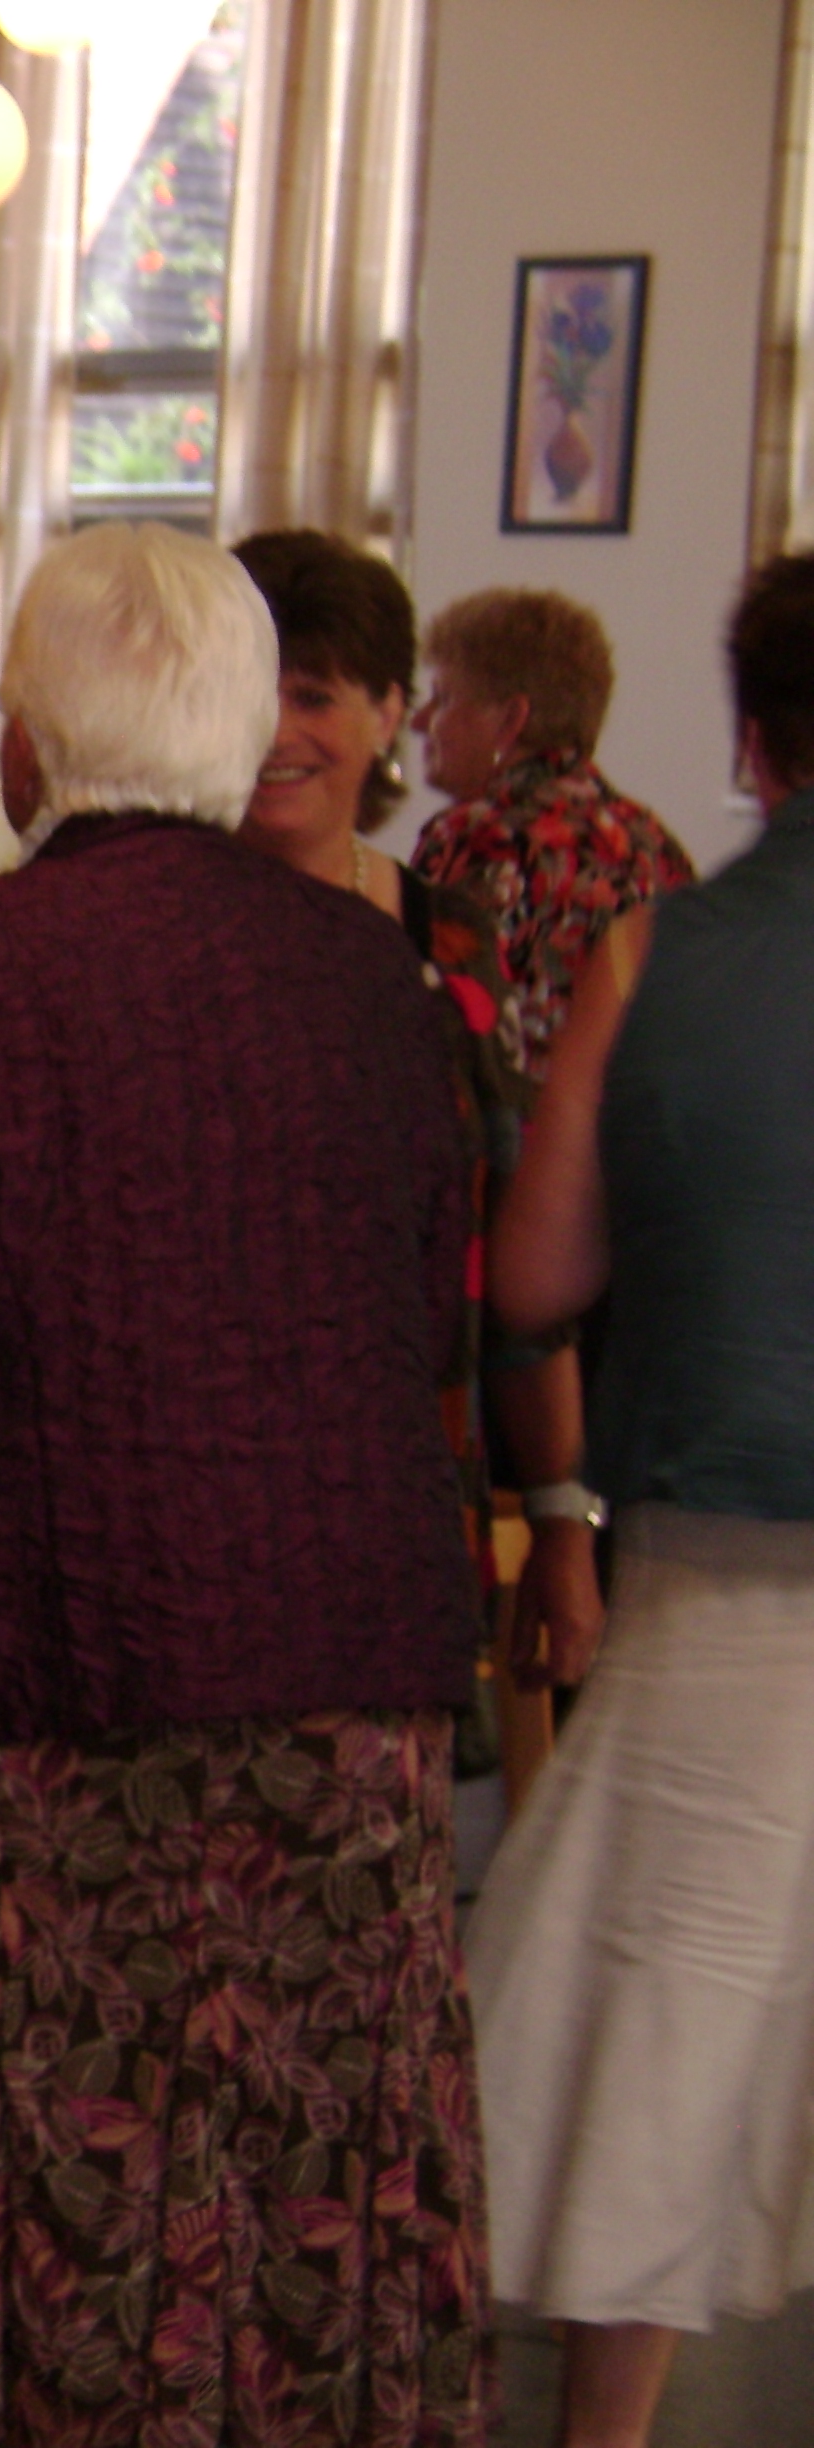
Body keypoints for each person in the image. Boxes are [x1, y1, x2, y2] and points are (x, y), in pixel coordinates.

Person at [0, 523, 492, 2445]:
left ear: (22, 739)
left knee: (58, 2185)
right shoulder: (375, 977)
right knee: (312, 2176)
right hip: (349, 1683)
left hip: (55, 1671)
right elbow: (426, 1310)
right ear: (238, 733)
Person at [467, 552, 814, 2448]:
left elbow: (531, 1275)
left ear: (755, 742)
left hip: (721, 1561)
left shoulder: (651, 954)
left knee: (656, 2035)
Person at [233, 530, 603, 1765]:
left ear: (393, 710)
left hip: (396, 1506)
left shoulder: (449, 937)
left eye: (315, 695)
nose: (278, 731)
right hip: (199, 1497)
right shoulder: (149, 929)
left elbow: (507, 1242)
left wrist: (559, 1515)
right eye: (254, 690)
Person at [409, 585, 694, 1074]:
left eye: (443, 698)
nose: (420, 722)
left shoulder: (480, 836)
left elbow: (421, 1021)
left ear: (510, 721)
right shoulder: (653, 841)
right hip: (634, 1116)